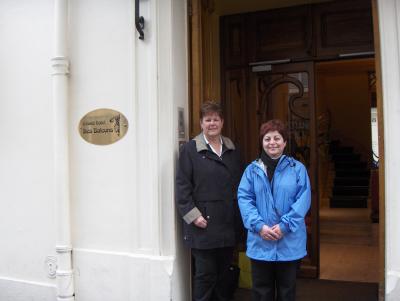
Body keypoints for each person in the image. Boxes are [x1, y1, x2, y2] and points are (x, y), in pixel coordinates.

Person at [237, 119, 311, 301]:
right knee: (261, 292)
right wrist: (259, 226)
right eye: (267, 138)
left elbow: (303, 200)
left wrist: (284, 226)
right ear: (262, 142)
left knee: (287, 292)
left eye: (277, 138)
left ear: (285, 142)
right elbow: (244, 199)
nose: (272, 143)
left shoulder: (298, 169)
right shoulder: (251, 171)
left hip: (289, 242)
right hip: (260, 241)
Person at [176, 101, 242, 301]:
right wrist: (194, 216)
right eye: (208, 119)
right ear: (201, 123)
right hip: (202, 225)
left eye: (215, 119)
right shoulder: (190, 150)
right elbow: (182, 187)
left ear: (222, 122)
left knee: (224, 275)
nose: (212, 123)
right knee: (205, 275)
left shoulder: (232, 149)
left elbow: (240, 185)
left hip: (227, 223)